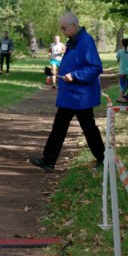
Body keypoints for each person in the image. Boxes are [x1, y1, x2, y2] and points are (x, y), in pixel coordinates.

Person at [29, 12, 105, 172]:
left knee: (88, 128)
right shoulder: (74, 41)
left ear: (74, 26)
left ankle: (102, 158)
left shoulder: (86, 41)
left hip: (81, 97)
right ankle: (48, 160)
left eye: (64, 28)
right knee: (59, 127)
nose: (63, 32)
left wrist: (75, 75)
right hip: (70, 96)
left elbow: (96, 67)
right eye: (61, 29)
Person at [115, 38, 128, 103]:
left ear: (122, 44)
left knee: (122, 85)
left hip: (122, 72)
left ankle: (121, 97)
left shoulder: (119, 52)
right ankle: (123, 97)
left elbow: (118, 61)